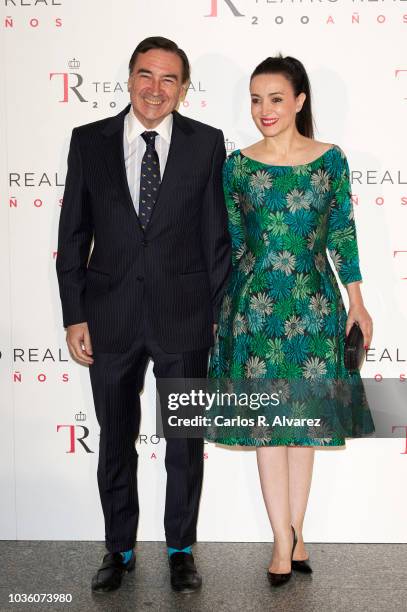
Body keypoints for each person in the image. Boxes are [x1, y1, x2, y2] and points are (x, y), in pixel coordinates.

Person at [56, 36, 231, 594]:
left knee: (184, 441)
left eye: (169, 80)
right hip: (110, 315)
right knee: (115, 437)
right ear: (129, 78)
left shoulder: (207, 144)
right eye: (146, 76)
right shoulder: (89, 141)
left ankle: (181, 549)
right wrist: (75, 314)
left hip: (184, 313)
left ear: (182, 88)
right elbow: (73, 235)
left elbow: (216, 235)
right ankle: (119, 548)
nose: (156, 90)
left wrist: (216, 312)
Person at [208, 55, 374, 587]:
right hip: (253, 310)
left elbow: (342, 234)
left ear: (300, 100)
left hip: (314, 305)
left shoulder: (330, 161)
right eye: (256, 100)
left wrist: (358, 301)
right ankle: (282, 540)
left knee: (304, 429)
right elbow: (234, 246)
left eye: (276, 99)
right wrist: (222, 315)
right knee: (266, 429)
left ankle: (297, 530)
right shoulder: (238, 165)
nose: (264, 110)